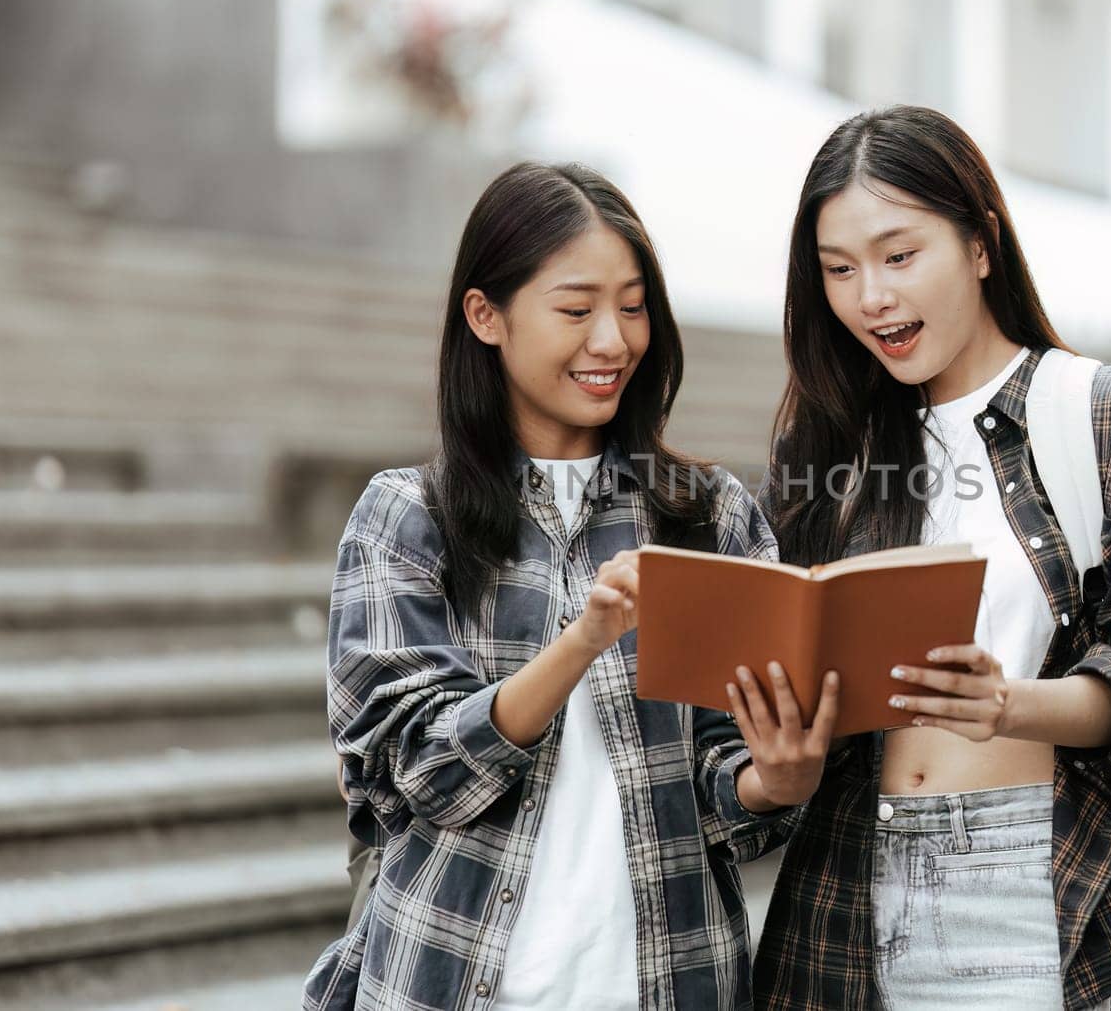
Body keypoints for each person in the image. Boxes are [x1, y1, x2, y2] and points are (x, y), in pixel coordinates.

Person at [302, 161, 834, 1011]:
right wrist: (583, 638)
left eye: (632, 307)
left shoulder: (710, 518)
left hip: (670, 982)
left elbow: (726, 797)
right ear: (487, 316)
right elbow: (421, 774)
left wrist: (777, 779)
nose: (614, 341)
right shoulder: (406, 517)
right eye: (577, 309)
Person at [746, 106, 1111, 1010]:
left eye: (899, 256)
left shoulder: (1110, 415)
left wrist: (1005, 703)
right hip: (841, 883)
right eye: (839, 270)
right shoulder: (828, 446)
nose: (870, 295)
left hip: (1025, 877)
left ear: (981, 244)